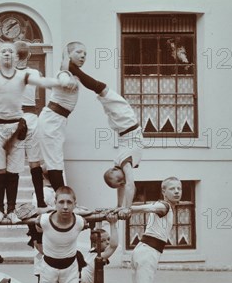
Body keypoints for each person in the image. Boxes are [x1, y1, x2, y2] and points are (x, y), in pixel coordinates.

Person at [0, 43, 76, 223]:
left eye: (11, 51)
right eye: (4, 51)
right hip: (8, 122)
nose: (7, 54)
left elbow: (41, 81)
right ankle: (4, 207)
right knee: (10, 167)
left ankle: (11, 208)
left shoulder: (23, 75)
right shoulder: (1, 74)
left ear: (16, 57)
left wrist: (60, 81)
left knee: (15, 169)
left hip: (19, 123)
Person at [62, 45, 142, 216]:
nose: (123, 180)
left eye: (119, 179)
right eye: (120, 181)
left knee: (101, 89)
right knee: (101, 91)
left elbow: (128, 185)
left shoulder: (122, 162)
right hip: (125, 125)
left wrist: (124, 207)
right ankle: (73, 69)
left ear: (114, 170)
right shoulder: (122, 165)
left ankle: (72, 69)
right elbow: (126, 185)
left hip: (125, 124)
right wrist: (121, 206)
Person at [129, 177, 181, 283]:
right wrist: (129, 209)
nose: (176, 191)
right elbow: (150, 207)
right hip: (147, 253)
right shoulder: (164, 206)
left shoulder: (168, 207)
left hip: (143, 251)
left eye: (179, 188)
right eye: (172, 188)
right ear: (163, 192)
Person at [37, 42, 84, 191]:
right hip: (52, 120)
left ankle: (50, 196)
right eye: (79, 52)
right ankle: (62, 198)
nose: (83, 56)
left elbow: (55, 86)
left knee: (53, 162)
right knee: (55, 163)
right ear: (69, 55)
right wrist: (67, 81)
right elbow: (63, 80)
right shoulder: (65, 74)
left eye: (85, 54)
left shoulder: (74, 75)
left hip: (58, 121)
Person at [14, 41, 49, 212]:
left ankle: (9, 205)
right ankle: (41, 201)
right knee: (34, 163)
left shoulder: (7, 74)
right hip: (31, 118)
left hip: (12, 118)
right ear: (28, 55)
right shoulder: (35, 72)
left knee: (11, 163)